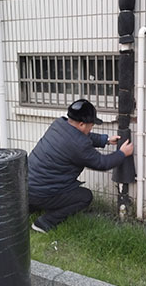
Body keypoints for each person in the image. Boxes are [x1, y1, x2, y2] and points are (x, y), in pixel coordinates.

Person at [28, 99, 133, 233]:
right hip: (42, 192)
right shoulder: (79, 145)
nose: (91, 128)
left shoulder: (59, 124)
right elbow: (102, 163)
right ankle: (44, 223)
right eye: (91, 125)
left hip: (26, 187)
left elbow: (81, 137)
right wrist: (122, 153)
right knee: (85, 197)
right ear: (82, 124)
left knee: (43, 189)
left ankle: (29, 208)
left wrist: (105, 140)